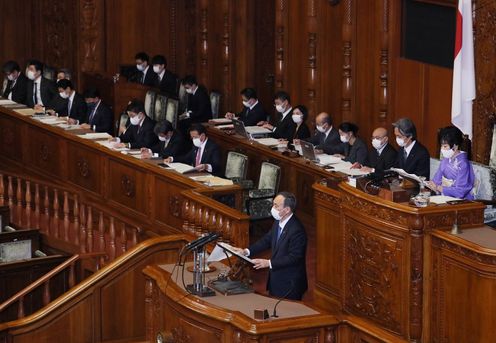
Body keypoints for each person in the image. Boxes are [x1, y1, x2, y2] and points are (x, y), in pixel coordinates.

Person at [232, 192, 307, 300]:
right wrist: (246, 251)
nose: (273, 208)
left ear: (286, 210)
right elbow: (266, 240)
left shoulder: (297, 230)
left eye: (276, 206)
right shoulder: (278, 221)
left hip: (290, 283)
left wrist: (268, 263)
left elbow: (294, 258)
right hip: (276, 278)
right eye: (273, 204)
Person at [426, 126, 474, 199]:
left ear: (455, 146)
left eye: (445, 146)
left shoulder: (463, 164)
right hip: (444, 197)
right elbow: (436, 180)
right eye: (441, 146)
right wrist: (431, 184)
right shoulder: (446, 159)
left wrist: (439, 188)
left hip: (459, 201)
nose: (442, 149)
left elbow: (460, 191)